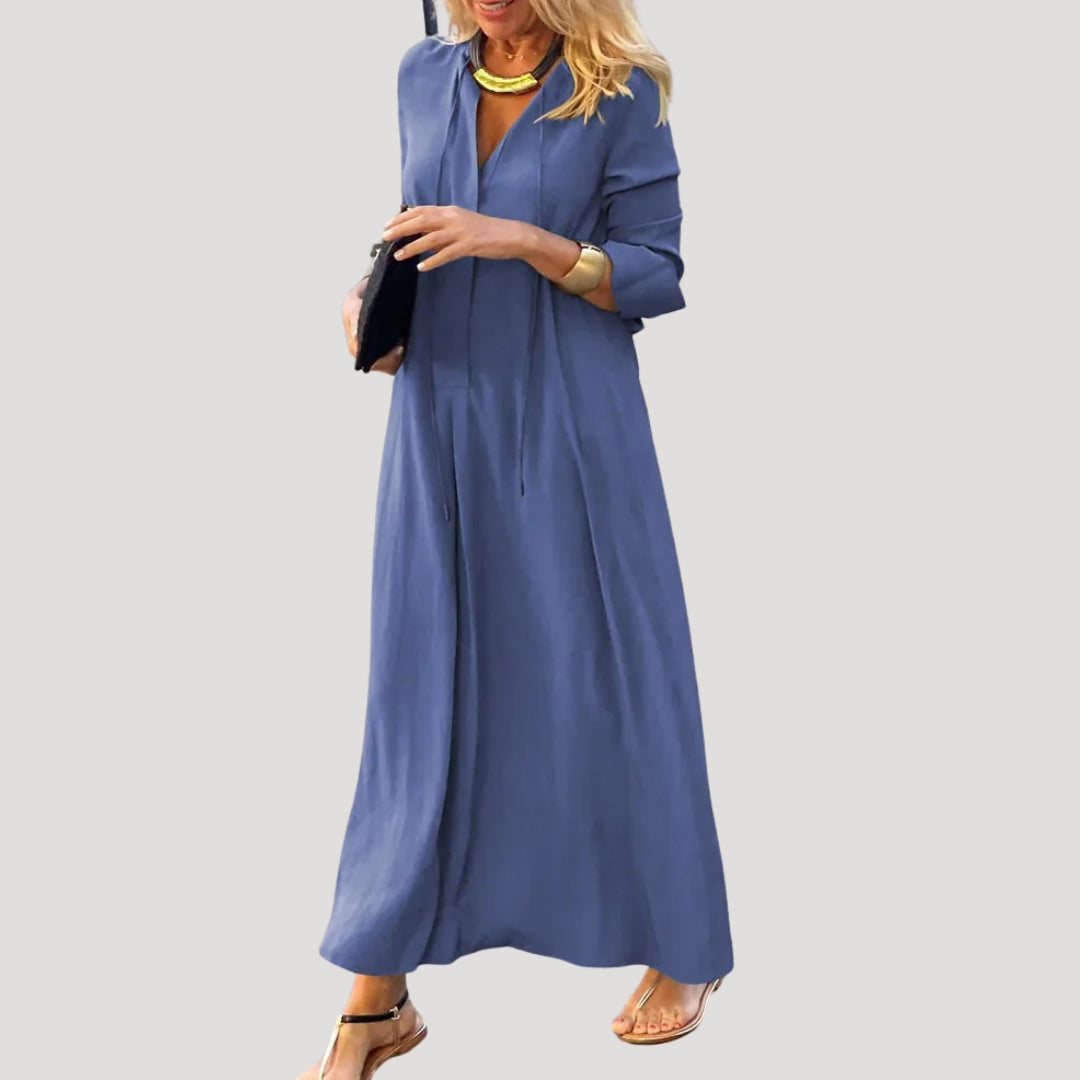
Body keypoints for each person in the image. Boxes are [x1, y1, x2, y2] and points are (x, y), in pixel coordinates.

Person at [303, 2, 734, 1076]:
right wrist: (371, 299)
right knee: (420, 682)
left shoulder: (622, 89)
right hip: (439, 412)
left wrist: (522, 239)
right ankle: (375, 994)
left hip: (575, 409)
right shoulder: (422, 74)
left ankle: (686, 944)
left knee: (619, 671)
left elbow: (655, 269)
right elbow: (417, 222)